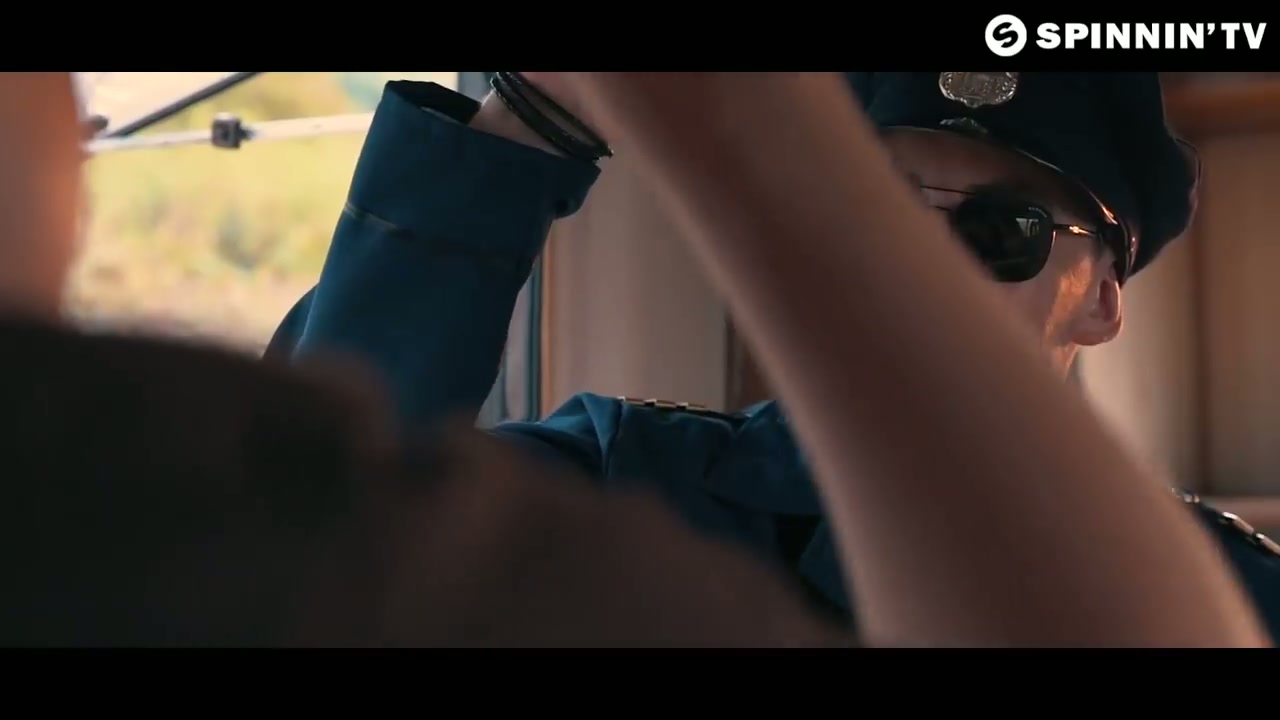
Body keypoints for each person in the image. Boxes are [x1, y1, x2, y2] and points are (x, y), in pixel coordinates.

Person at [265, 71, 1280, 637]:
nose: (921, 264)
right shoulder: (631, 486)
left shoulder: (1228, 597)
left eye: (1002, 231)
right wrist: (530, 118)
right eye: (876, 211)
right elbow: (308, 545)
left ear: (1099, 301)